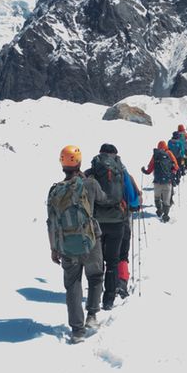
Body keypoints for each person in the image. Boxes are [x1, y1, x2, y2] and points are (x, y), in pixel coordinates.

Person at [46, 145, 108, 342]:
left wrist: (54, 248)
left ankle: (77, 331)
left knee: (73, 284)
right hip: (91, 240)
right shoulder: (90, 184)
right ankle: (91, 315)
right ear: (80, 162)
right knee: (96, 275)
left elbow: (51, 222)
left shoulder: (55, 190)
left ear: (62, 164)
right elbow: (104, 200)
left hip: (66, 245)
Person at [85, 143, 129, 311]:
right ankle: (108, 300)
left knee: (98, 261)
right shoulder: (121, 171)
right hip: (117, 221)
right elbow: (131, 196)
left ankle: (96, 292)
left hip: (97, 223)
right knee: (113, 260)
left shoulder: (92, 171)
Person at [117, 169, 142, 298]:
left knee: (105, 255)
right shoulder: (123, 173)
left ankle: (105, 287)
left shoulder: (93, 171)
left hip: (98, 222)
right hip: (121, 219)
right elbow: (133, 201)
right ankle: (121, 282)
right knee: (122, 253)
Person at [142, 140, 178, 222]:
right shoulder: (169, 153)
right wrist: (172, 172)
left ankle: (159, 209)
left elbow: (150, 168)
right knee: (166, 199)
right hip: (168, 182)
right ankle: (166, 215)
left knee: (157, 197)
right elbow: (176, 166)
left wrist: (145, 171)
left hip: (157, 181)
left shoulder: (156, 154)